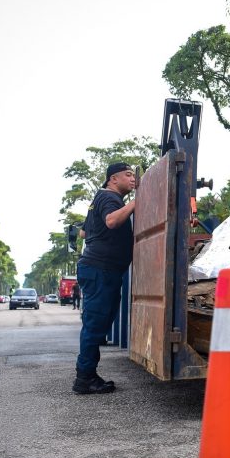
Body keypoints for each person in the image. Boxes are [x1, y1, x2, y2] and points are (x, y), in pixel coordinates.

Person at [72, 162, 138, 394]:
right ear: (113, 179)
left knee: (98, 324)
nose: (133, 179)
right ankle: (85, 378)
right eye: (128, 175)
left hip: (101, 270)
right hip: (100, 270)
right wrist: (134, 203)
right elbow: (111, 221)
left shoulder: (99, 199)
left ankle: (88, 374)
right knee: (94, 324)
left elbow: (83, 232)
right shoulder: (109, 198)